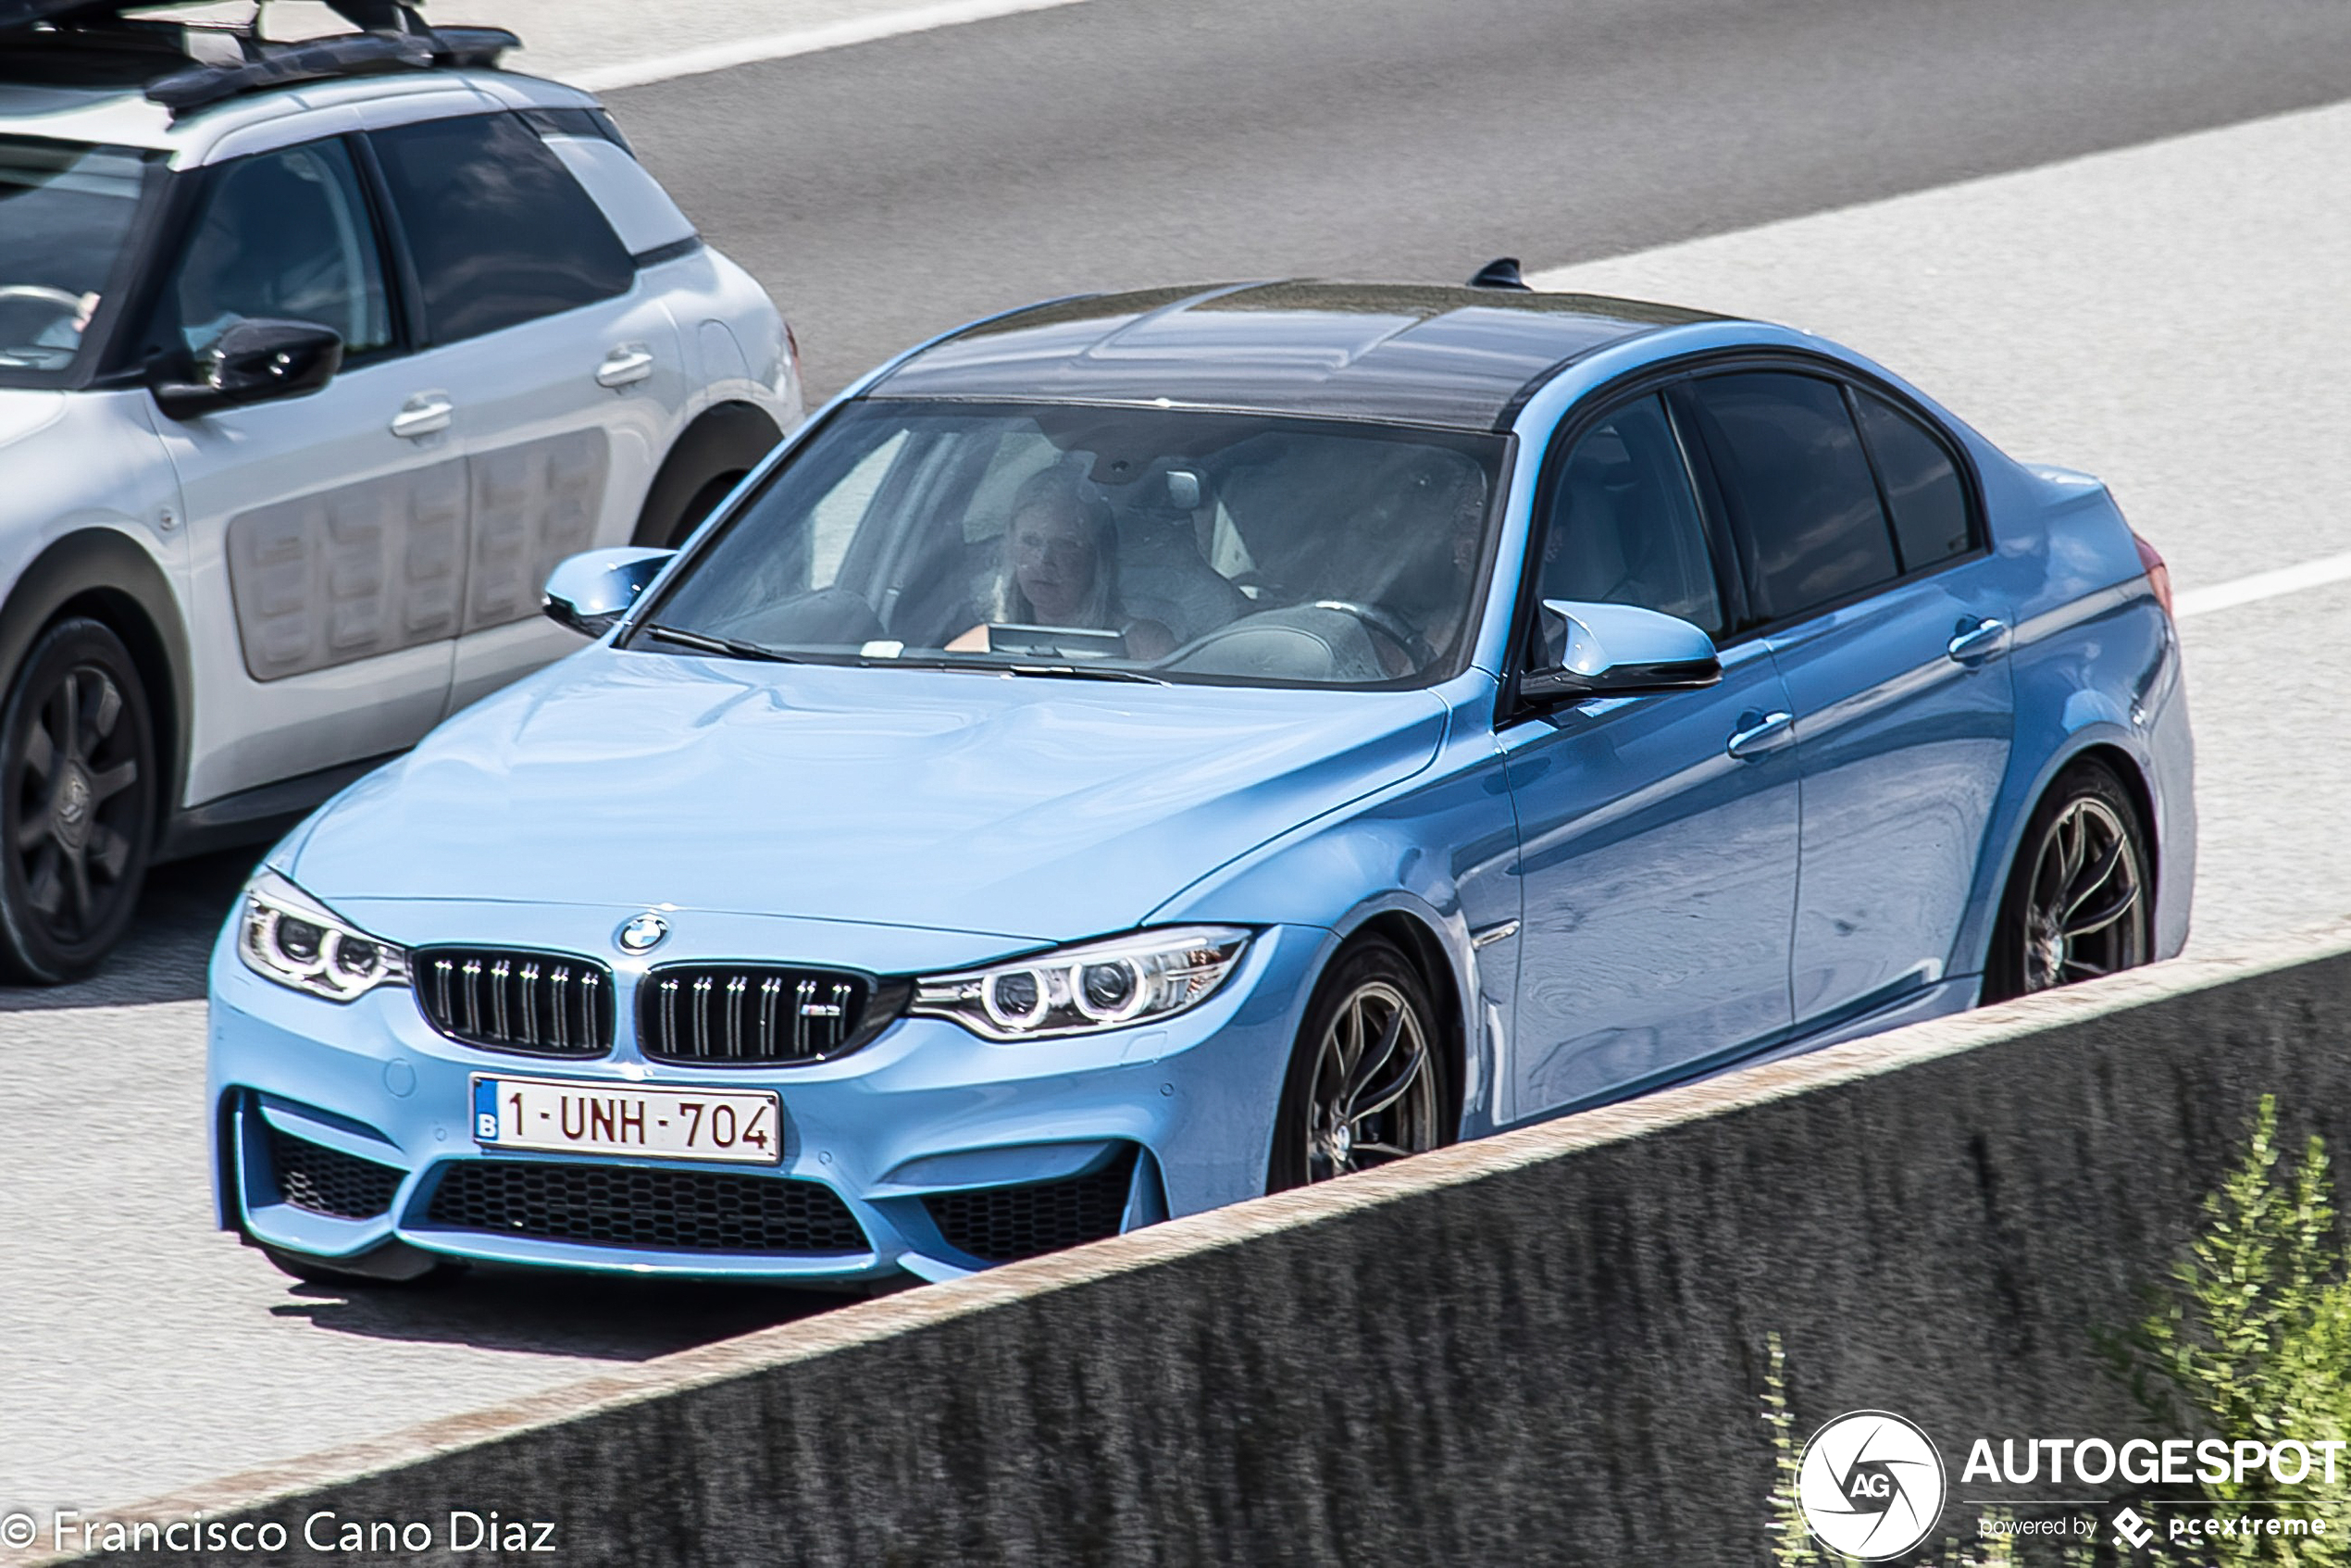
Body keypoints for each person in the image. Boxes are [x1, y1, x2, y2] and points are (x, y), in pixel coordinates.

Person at [950, 467, 1176, 658]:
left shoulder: (1143, 647)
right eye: (1030, 541)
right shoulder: (980, 645)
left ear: (1097, 556)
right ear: (1010, 545)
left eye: (1065, 544)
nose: (1043, 560)